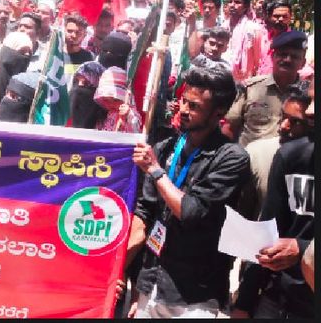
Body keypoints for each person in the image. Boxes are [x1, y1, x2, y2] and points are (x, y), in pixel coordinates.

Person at [127, 66, 249, 318]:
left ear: (219, 114)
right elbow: (145, 212)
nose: (183, 110)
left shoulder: (231, 158)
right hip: (151, 283)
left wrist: (155, 171)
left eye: (194, 107)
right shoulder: (165, 148)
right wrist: (121, 270)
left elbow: (190, 211)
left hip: (195, 296)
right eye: (183, 101)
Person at [232, 79, 314, 319]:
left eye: (297, 121)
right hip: (280, 299)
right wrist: (244, 304)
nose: (284, 127)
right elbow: (267, 232)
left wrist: (302, 249)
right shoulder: (290, 157)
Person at [238, 85, 312, 220]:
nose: (284, 126)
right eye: (283, 116)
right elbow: (244, 213)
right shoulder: (256, 154)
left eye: (296, 122)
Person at [224, 30, 308, 147]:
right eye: (283, 54)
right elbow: (230, 127)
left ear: (303, 63)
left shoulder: (309, 94)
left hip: (292, 162)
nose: (287, 60)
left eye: (294, 57)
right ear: (273, 57)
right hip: (251, 161)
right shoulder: (250, 88)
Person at [222, 0, 269, 83]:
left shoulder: (253, 29)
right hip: (222, 79)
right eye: (230, 2)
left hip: (244, 82)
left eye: (237, 2)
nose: (232, 5)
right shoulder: (222, 27)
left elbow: (258, 60)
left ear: (245, 7)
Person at [93, 66, 142, 133]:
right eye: (106, 100)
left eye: (116, 100)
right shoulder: (104, 114)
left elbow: (136, 129)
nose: (111, 104)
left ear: (124, 98)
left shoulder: (129, 112)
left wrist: (128, 115)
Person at [69, 61, 106, 129]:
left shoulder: (108, 120)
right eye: (76, 81)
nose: (79, 86)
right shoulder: (64, 115)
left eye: (86, 83)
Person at [62, 13, 94, 87]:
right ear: (64, 31)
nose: (73, 35)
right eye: (70, 31)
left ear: (84, 35)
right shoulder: (55, 53)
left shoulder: (89, 57)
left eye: (78, 32)